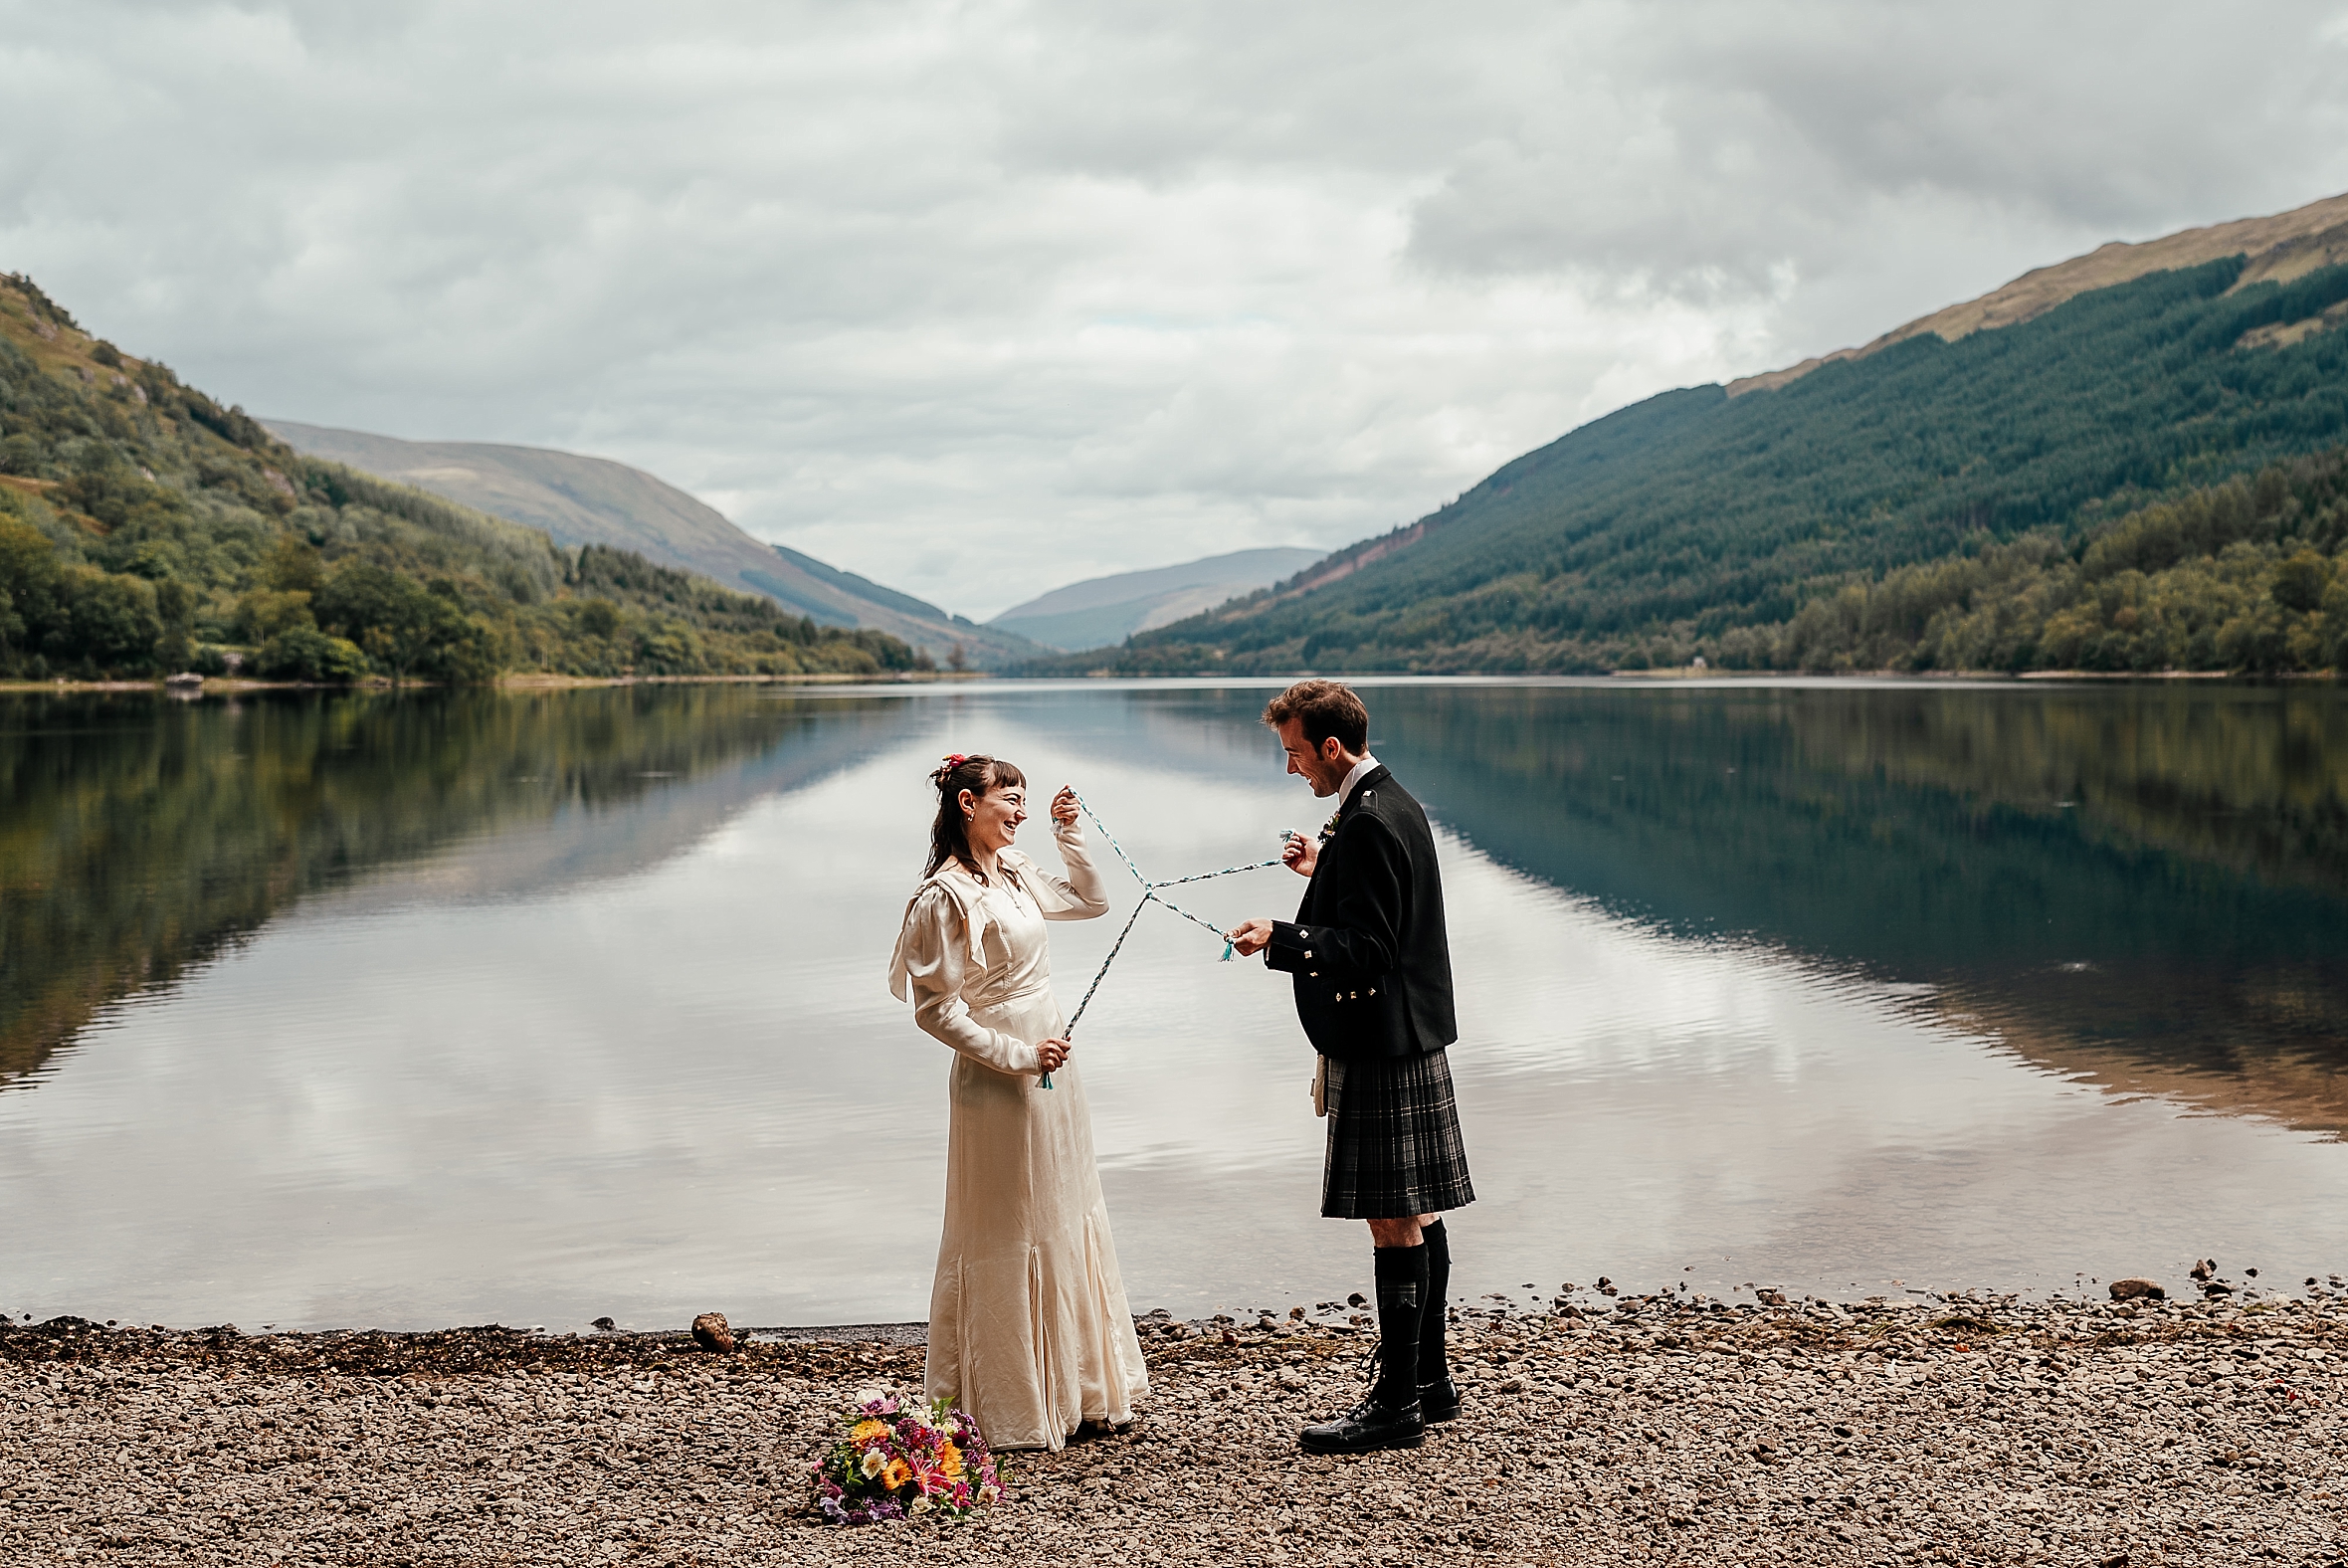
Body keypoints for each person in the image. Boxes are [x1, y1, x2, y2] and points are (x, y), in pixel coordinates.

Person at [1229, 682, 1472, 1455]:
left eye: (1297, 753)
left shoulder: (1367, 821)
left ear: (1332, 746)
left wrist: (1281, 938)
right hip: (1412, 1034)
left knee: (1392, 1218)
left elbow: (1370, 949)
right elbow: (1380, 904)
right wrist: (1320, 871)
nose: (1293, 769)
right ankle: (1429, 1381)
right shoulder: (1391, 801)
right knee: (1421, 1210)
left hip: (1380, 1041)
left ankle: (1396, 1404)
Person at [887, 753, 1149, 1451]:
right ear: (968, 804)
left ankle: (1079, 1391)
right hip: (999, 1079)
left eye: (1026, 800)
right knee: (1009, 1227)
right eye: (1011, 799)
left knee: (1063, 1211)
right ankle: (1010, 1406)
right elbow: (935, 1010)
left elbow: (1092, 902)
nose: (1021, 811)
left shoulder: (1014, 869)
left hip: (1052, 1065)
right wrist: (1017, 1056)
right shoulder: (943, 897)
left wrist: (1071, 835)